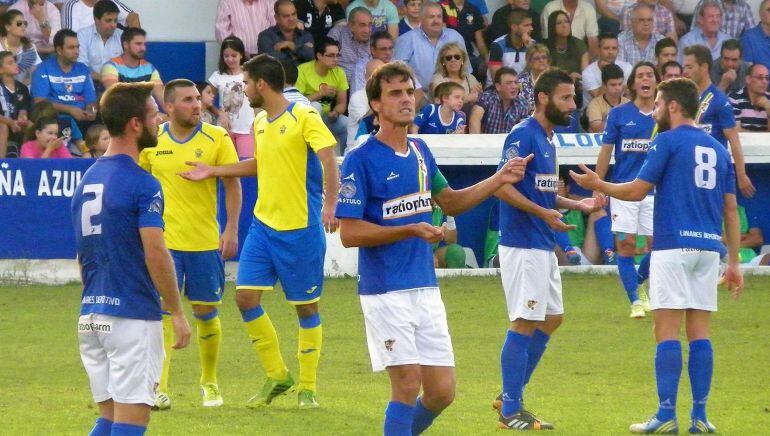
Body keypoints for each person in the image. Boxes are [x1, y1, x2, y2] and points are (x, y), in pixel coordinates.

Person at [334, 60, 530, 436]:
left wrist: (499, 178)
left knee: (441, 392)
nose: (406, 99)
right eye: (395, 94)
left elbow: (451, 202)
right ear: (375, 104)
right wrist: (408, 229)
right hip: (385, 290)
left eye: (409, 92)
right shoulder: (361, 158)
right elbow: (350, 233)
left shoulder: (421, 151)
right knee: (407, 385)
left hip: (425, 288)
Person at [570, 77, 743, 435]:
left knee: (665, 330)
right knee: (700, 333)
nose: (656, 112)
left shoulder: (666, 141)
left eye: (660, 104)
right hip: (710, 250)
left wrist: (598, 185)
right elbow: (730, 209)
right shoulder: (718, 148)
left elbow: (636, 191)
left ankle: (666, 414)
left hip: (673, 245)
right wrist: (736, 262)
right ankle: (700, 416)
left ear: (674, 106)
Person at [180, 54, 340, 410]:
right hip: (263, 227)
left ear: (262, 84)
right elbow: (259, 164)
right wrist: (215, 171)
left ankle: (308, 388)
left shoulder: (304, 116)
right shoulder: (262, 121)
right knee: (245, 297)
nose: (245, 89)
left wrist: (331, 205)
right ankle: (278, 374)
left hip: (300, 227)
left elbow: (329, 157)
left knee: (306, 307)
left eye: (247, 83)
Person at [72, 81, 191, 436]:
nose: (161, 122)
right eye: (155, 115)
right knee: (131, 423)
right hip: (130, 317)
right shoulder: (143, 183)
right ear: (135, 124)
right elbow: (156, 250)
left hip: (92, 314)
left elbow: (83, 254)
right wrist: (178, 313)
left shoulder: (87, 179)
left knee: (108, 419)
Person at [492, 68, 605, 430]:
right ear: (543, 98)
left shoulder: (548, 139)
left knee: (552, 318)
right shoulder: (523, 135)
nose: (573, 104)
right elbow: (500, 187)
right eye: (566, 97)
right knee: (525, 320)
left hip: (541, 242)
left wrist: (576, 205)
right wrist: (544, 212)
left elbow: (540, 192)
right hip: (522, 244)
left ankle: (510, 395)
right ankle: (511, 408)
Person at [138, 79, 241, 411]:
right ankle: (159, 387)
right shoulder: (152, 142)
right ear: (169, 107)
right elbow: (140, 186)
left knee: (206, 312)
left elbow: (232, 181)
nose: (197, 104)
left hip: (204, 242)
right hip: (165, 244)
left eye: (198, 98)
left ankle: (209, 382)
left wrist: (231, 229)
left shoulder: (217, 137)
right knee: (164, 313)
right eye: (187, 100)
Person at [594, 61, 659, 318]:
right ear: (633, 84)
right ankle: (634, 300)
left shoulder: (663, 115)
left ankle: (638, 280)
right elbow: (606, 152)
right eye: (641, 75)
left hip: (653, 191)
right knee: (626, 245)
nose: (646, 79)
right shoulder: (619, 115)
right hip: (622, 189)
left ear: (656, 83)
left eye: (650, 75)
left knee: (659, 246)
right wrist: (598, 186)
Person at [682, 44, 756, 198]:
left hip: (712, 170)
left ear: (704, 67)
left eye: (689, 67)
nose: (685, 71)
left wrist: (741, 174)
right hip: (689, 171)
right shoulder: (685, 99)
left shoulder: (719, 100)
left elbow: (733, 140)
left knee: (724, 212)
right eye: (684, 67)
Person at [31, 29, 97, 135]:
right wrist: (70, 109)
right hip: (54, 119)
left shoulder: (83, 69)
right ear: (59, 50)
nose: (76, 51)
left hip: (82, 119)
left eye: (77, 47)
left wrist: (91, 112)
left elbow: (91, 100)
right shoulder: (43, 68)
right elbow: (40, 102)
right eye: (71, 48)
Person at [393, 2, 467, 93]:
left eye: (439, 17)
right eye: (431, 17)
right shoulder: (406, 40)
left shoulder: (455, 37)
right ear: (421, 19)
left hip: (453, 95)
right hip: (419, 95)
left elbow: (466, 69)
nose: (436, 21)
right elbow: (397, 71)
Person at [296, 37, 348, 151]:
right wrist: (319, 94)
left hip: (326, 118)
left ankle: (345, 159)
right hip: (305, 122)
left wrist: (336, 112)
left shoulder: (339, 73)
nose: (335, 59)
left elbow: (342, 103)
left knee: (346, 123)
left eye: (337, 55)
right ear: (319, 55)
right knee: (316, 106)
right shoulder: (303, 70)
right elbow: (296, 103)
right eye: (331, 55)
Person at [207, 36, 255, 158]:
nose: (230, 59)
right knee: (226, 162)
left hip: (246, 127)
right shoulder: (217, 76)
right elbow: (206, 99)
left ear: (241, 55)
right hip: (225, 128)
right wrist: (219, 113)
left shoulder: (250, 74)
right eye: (226, 56)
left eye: (234, 55)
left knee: (246, 163)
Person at [100, 27, 163, 106]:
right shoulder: (111, 66)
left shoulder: (149, 68)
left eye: (144, 44)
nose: (143, 48)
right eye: (138, 44)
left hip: (144, 114)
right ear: (126, 45)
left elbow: (161, 97)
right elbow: (115, 98)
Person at [439, 0, 488, 83]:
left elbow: (480, 41)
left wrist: (487, 59)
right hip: (446, 56)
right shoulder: (441, 7)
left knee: (482, 66)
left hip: (467, 56)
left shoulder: (473, 9)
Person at [470, 66, 528, 134]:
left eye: (516, 82)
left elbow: (524, 130)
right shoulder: (487, 98)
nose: (514, 86)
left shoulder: (522, 103)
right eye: (509, 83)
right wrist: (477, 143)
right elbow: (474, 120)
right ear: (498, 86)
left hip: (510, 143)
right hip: (487, 143)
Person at [257, 0, 314, 66]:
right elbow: (270, 61)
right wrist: (298, 56)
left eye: (294, 14)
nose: (291, 19)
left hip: (302, 76)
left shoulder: (306, 36)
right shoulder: (265, 36)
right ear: (276, 18)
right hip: (278, 75)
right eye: (286, 16)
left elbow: (312, 56)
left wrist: (292, 46)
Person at [76, 0, 122, 82]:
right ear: (96, 19)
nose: (113, 25)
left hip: (117, 84)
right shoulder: (82, 35)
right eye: (108, 20)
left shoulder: (122, 36)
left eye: (115, 20)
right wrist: (104, 79)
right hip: (89, 83)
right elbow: (81, 67)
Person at [327, 7, 372, 91]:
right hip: (340, 87)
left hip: (366, 87)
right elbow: (326, 60)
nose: (367, 30)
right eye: (362, 25)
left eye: (369, 25)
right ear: (350, 26)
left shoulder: (373, 40)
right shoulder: (338, 34)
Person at [582, 34, 632, 107]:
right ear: (598, 50)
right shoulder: (588, 73)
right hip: (593, 113)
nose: (610, 52)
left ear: (618, 50)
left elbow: (629, 95)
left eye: (614, 48)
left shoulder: (627, 68)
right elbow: (599, 100)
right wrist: (607, 71)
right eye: (606, 48)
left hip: (621, 111)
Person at [430, 42, 482, 107]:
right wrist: (466, 98)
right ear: (443, 62)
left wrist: (478, 94)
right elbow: (440, 104)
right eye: (448, 58)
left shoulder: (470, 78)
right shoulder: (438, 80)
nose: (453, 60)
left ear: (462, 61)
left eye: (457, 57)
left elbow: (480, 102)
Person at [544, 11, 588, 86]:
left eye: (567, 22)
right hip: (551, 86)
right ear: (552, 26)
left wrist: (578, 77)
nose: (564, 25)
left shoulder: (579, 45)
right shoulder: (545, 47)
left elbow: (586, 75)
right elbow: (543, 72)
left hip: (575, 87)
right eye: (559, 23)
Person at [488, 8, 535, 78]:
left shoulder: (533, 44)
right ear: (514, 27)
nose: (531, 28)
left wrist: (531, 50)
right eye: (526, 25)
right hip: (499, 87)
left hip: (525, 86)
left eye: (531, 25)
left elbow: (539, 73)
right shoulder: (498, 45)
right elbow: (496, 78)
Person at [0, 50, 30, 157]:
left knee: (31, 125)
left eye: (15, 62)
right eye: (10, 63)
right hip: (4, 124)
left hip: (16, 125)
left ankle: (26, 163)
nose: (15, 65)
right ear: (1, 69)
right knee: (2, 127)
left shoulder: (23, 88)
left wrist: (22, 118)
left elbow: (23, 109)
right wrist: (10, 122)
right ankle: (1, 166)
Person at [0, 9, 42, 84]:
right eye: (19, 23)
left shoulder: (29, 46)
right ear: (7, 27)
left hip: (25, 88)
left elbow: (37, 71)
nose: (23, 26)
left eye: (25, 23)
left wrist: (24, 86)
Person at [585, 63, 629, 133]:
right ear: (604, 85)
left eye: (620, 84)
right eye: (613, 85)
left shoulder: (628, 103)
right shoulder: (595, 104)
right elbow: (597, 129)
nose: (617, 88)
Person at [729, 63, 770, 132]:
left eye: (767, 78)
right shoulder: (734, 99)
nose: (764, 81)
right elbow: (735, 130)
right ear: (748, 79)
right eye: (760, 78)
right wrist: (762, 135)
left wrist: (768, 107)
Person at [62, 0, 137, 33]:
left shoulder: (108, 1)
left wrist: (135, 42)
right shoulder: (72, 5)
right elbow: (70, 39)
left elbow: (133, 17)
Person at [691, 0, 755, 38]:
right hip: (708, 51)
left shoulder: (744, 7)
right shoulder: (705, 3)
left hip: (732, 54)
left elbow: (751, 36)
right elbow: (694, 32)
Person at [517, 43, 550, 112]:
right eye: (536, 58)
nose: (541, 60)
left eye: (544, 57)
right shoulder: (520, 80)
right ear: (529, 62)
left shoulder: (556, 79)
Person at [739, 0, 770, 72]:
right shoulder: (748, 38)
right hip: (760, 81)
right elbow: (748, 72)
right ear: (760, 13)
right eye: (769, 10)